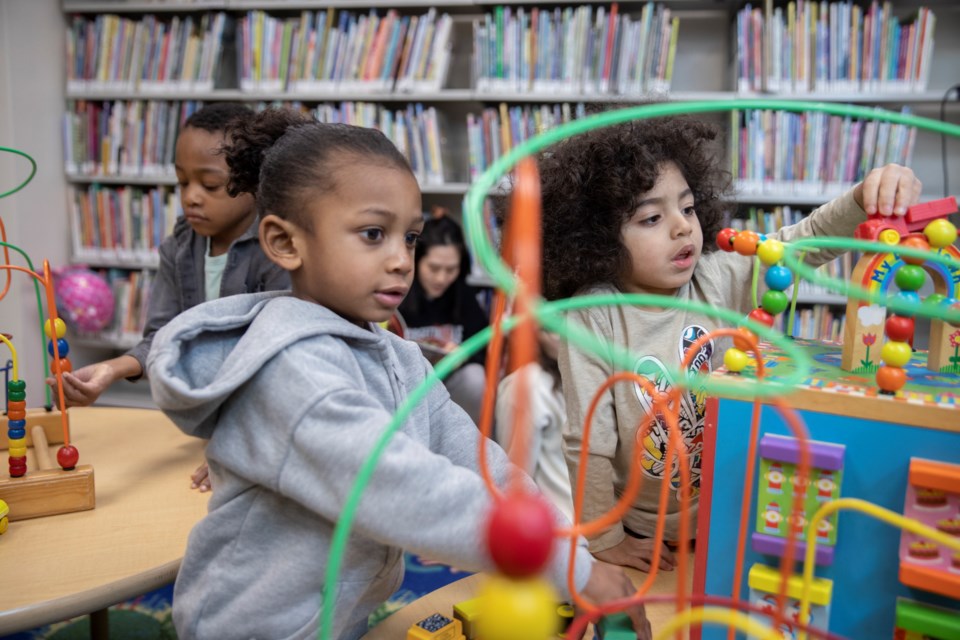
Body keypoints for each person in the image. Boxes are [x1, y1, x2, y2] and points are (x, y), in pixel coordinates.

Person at [145, 108, 652, 640]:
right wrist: (567, 567)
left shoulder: (397, 356)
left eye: (408, 238)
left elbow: (487, 470)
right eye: (372, 234)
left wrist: (565, 550)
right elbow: (405, 490)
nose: (399, 260)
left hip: (337, 618)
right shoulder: (291, 372)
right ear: (285, 243)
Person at [535, 114, 921, 574]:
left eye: (689, 208)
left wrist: (862, 199)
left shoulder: (714, 276)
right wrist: (604, 539)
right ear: (598, 239)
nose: (682, 228)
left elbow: (803, 243)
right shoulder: (594, 315)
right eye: (652, 218)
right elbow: (588, 443)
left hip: (725, 516)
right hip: (640, 532)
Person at [47, 103, 290, 491]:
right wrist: (110, 370)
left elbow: (280, 366)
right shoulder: (179, 249)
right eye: (181, 182)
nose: (190, 197)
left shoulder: (277, 251)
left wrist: (244, 451)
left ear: (253, 183)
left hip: (268, 430)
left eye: (209, 185)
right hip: (212, 427)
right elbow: (163, 334)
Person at [398, 212, 489, 425]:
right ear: (417, 260)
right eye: (434, 268)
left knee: (476, 377)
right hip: (407, 388)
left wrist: (463, 356)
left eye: (451, 270)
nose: (441, 278)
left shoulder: (463, 295)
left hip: (451, 387)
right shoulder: (398, 294)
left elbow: (485, 351)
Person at [495, 329, 574, 521]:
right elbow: (517, 477)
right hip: (558, 528)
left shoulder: (584, 380)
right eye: (553, 327)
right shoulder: (528, 385)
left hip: (594, 530)